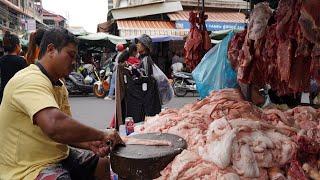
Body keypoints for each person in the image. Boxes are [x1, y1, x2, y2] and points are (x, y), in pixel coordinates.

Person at [0, 28, 123, 180]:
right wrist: (102, 134)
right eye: (70, 55)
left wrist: (91, 144)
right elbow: (54, 125)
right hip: (27, 166)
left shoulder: (59, 85)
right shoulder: (29, 79)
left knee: (102, 162)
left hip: (57, 155)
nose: (74, 62)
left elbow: (65, 133)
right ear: (51, 50)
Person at [0, 31, 27, 104]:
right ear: (17, 46)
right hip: (17, 95)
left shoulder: (1, 60)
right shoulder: (22, 61)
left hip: (3, 94)